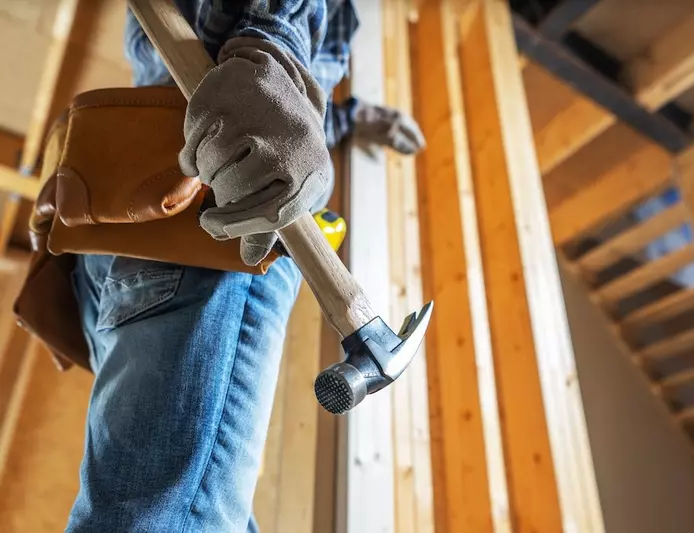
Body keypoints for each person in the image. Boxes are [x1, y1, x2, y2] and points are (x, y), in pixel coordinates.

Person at [65, 1, 424, 531]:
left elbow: (242, 94)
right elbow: (256, 87)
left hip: (121, 227)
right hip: (214, 234)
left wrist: (349, 115)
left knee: (188, 506)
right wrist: (272, 57)